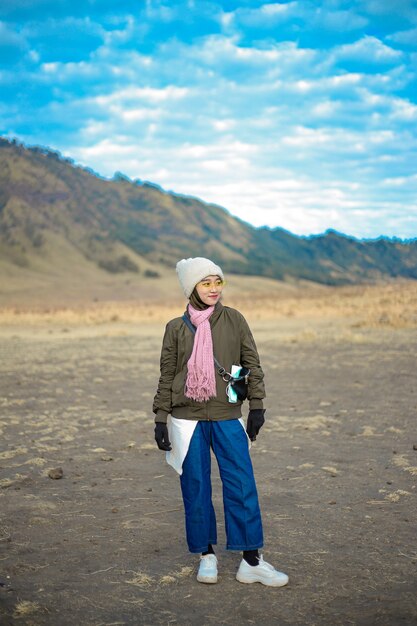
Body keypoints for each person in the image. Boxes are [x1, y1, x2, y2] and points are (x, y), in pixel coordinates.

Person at [153, 257, 289, 587]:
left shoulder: (234, 320)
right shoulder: (175, 328)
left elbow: (251, 364)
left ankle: (251, 560)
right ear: (191, 288)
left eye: (218, 282)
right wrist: (160, 418)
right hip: (187, 419)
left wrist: (256, 406)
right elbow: (167, 374)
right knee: (195, 487)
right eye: (205, 283)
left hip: (228, 415)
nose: (214, 289)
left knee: (242, 485)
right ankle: (207, 555)